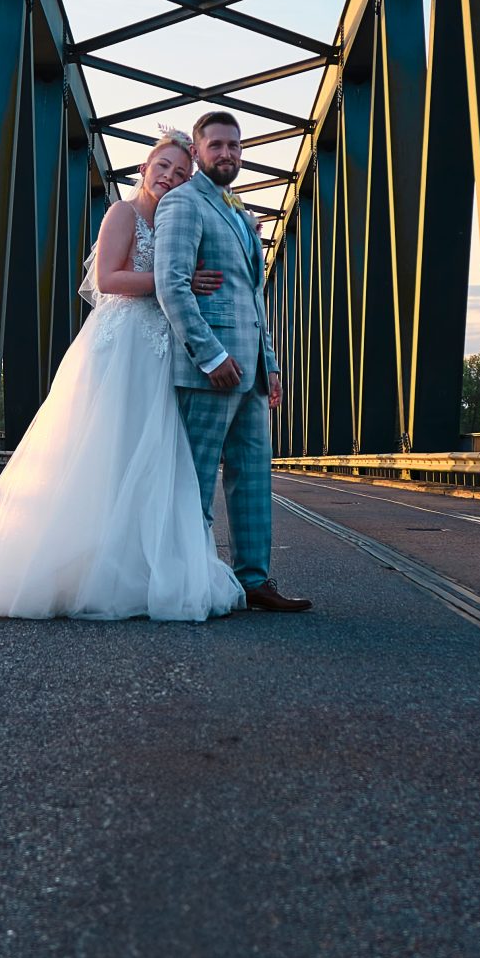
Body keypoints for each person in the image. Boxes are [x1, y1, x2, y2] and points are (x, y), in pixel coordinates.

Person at [0, 133, 247, 622]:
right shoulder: (123, 213)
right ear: (144, 167)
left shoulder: (177, 219)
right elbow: (108, 280)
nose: (169, 177)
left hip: (160, 352)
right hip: (120, 348)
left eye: (181, 174)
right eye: (162, 166)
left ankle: (138, 566)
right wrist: (173, 282)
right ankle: (85, 566)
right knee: (103, 449)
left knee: (153, 454)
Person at [152, 111, 312, 614]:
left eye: (234, 147)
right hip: (209, 370)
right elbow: (171, 284)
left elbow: (253, 299)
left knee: (253, 476)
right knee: (195, 483)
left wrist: (272, 365)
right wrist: (211, 355)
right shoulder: (182, 203)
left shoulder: (242, 216)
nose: (227, 154)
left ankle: (254, 580)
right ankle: (186, 582)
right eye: (216, 145)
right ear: (197, 153)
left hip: (253, 373)